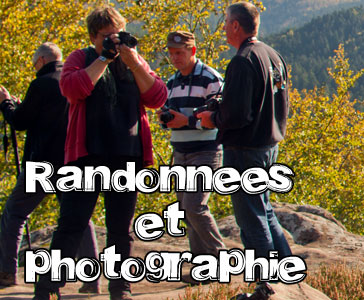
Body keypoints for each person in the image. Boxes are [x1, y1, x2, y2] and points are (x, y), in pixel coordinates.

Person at [33, 6, 167, 300]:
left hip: (127, 155)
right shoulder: (80, 58)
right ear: (94, 36)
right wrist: (104, 58)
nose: (113, 41)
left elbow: (157, 96)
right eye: (106, 36)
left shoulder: (133, 61)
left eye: (117, 35)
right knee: (71, 224)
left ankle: (121, 288)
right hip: (87, 157)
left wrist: (133, 61)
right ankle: (47, 288)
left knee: (120, 228)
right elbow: (71, 89)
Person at [0, 43, 100, 293]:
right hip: (73, 158)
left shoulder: (41, 83)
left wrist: (6, 103)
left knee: (15, 212)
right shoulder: (74, 80)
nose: (35, 68)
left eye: (35, 64)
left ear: (42, 60)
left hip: (43, 162)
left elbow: (20, 121)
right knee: (78, 216)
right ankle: (92, 279)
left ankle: (6, 272)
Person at [197, 1, 292, 264]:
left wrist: (211, 118)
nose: (224, 27)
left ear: (236, 25)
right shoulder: (273, 55)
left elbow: (238, 115)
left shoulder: (242, 60)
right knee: (264, 210)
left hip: (245, 150)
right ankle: (285, 273)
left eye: (226, 22)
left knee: (251, 219)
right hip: (268, 146)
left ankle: (264, 282)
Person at [160, 31, 227, 261]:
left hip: (206, 151)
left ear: (193, 51)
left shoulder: (211, 79)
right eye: (171, 53)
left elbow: (218, 118)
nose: (175, 58)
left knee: (194, 206)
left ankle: (221, 258)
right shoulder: (171, 82)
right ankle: (202, 264)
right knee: (187, 210)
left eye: (179, 53)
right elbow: (169, 119)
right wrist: (165, 118)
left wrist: (186, 120)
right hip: (180, 152)